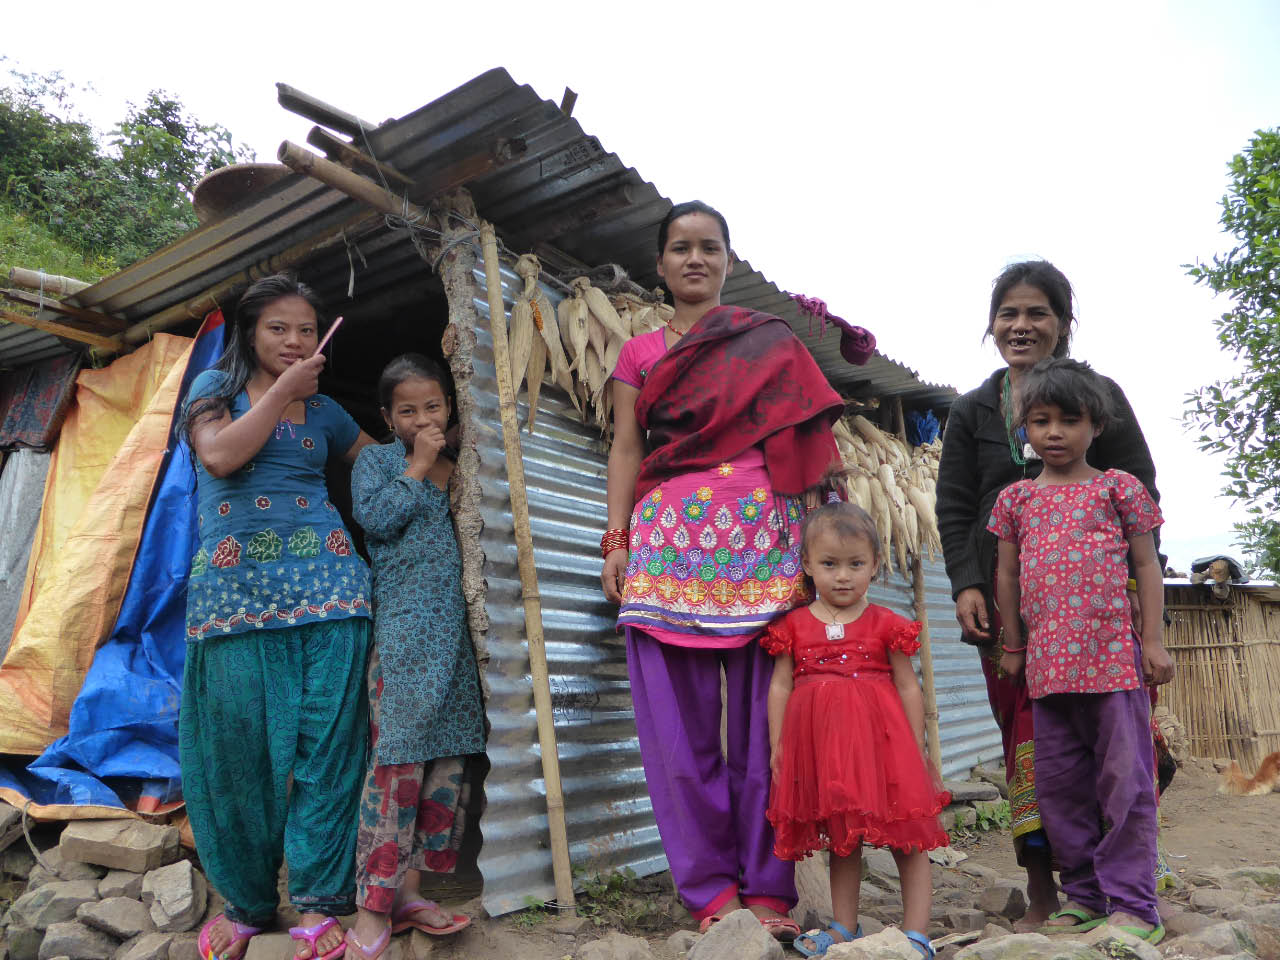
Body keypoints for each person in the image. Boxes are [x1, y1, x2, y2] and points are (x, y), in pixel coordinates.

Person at [600, 201, 844, 939]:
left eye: (709, 247)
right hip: (668, 554)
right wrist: (616, 540)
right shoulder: (638, 354)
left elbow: (811, 443)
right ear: (661, 264)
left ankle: (770, 889)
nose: (694, 259)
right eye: (680, 248)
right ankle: (711, 894)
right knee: (680, 738)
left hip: (765, 551)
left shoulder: (766, 343)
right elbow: (626, 449)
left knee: (769, 729)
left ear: (728, 260)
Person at [935, 260, 1162, 928]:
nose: (1021, 325)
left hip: (1102, 624)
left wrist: (1145, 623)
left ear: (1064, 324)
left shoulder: (1097, 396)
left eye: (1037, 312)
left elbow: (1143, 504)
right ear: (991, 323)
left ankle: (1129, 890)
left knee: (1119, 758)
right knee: (1034, 754)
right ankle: (1047, 888)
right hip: (1013, 623)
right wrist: (967, 585)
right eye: (1009, 313)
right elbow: (953, 508)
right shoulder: (974, 407)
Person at [180, 275, 376, 960]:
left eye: (305, 328)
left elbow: (376, 466)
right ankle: (248, 905)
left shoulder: (324, 410)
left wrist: (430, 450)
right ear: (249, 333)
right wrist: (281, 394)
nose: (295, 341)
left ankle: (322, 904)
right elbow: (222, 454)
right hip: (233, 599)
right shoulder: (212, 392)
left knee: (327, 751)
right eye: (278, 329)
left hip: (332, 589)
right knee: (238, 759)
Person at [989, 357, 1173, 944]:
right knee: (1059, 789)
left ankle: (1135, 903)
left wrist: (1154, 640)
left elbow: (1146, 564)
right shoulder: (1016, 500)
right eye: (1040, 421)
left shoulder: (1119, 489)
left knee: (1125, 784)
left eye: (1070, 420)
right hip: (1047, 672)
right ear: (1025, 429)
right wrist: (1013, 642)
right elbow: (1007, 576)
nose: (1055, 432)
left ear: (1096, 425)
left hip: (1114, 665)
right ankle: (1086, 896)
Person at [343, 355, 486, 959]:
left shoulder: (462, 471)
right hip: (402, 638)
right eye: (408, 410)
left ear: (449, 409)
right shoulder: (376, 461)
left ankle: (413, 893)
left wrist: (439, 465)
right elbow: (375, 521)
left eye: (432, 407)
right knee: (395, 769)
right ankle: (371, 910)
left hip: (453, 641)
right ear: (387, 417)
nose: (422, 417)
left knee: (445, 771)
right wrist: (418, 464)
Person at [764, 502, 949, 958]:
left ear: (875, 566)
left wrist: (915, 744)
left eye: (855, 564)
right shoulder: (793, 626)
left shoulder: (887, 624)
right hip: (826, 753)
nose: (842, 576)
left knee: (908, 833)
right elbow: (781, 686)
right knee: (842, 839)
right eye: (829, 564)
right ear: (807, 565)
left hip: (885, 749)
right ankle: (843, 926)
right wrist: (778, 745)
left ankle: (916, 932)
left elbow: (908, 685)